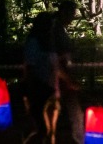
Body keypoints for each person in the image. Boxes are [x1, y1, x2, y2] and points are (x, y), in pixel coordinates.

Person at [22, 11, 61, 144]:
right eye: (50, 24)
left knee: (50, 130)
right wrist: (29, 91)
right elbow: (30, 68)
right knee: (41, 128)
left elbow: (55, 68)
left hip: (51, 91)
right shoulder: (34, 43)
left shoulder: (49, 44)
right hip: (39, 90)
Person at [51, 0, 84, 144]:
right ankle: (79, 139)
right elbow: (55, 57)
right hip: (59, 77)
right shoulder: (56, 30)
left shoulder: (57, 29)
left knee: (63, 110)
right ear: (64, 13)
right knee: (73, 111)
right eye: (72, 13)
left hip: (60, 76)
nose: (73, 17)